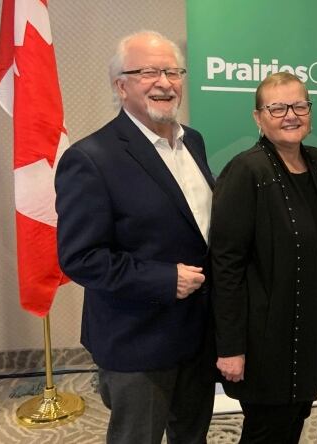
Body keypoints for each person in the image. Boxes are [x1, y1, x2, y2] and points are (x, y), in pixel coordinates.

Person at [55, 31, 215, 444]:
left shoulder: (192, 141)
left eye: (173, 71)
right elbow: (80, 257)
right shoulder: (90, 158)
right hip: (137, 342)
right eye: (148, 72)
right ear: (120, 85)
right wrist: (164, 280)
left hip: (197, 333)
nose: (164, 82)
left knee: (192, 435)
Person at [210, 72, 317, 443]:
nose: (291, 114)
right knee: (266, 430)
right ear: (258, 117)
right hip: (266, 338)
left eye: (299, 105)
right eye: (277, 108)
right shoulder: (246, 170)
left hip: (314, 331)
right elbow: (226, 264)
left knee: (294, 419)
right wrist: (230, 347)